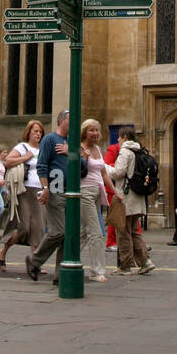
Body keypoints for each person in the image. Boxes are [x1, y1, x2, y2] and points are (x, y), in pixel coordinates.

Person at [25, 109, 75, 284]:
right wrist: (45, 188)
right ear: (61, 121)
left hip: (72, 192)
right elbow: (42, 165)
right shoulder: (49, 140)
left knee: (67, 235)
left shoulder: (72, 142)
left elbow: (83, 165)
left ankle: (61, 274)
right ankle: (34, 260)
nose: (74, 123)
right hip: (55, 189)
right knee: (59, 231)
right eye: (71, 120)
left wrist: (71, 151)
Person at [0, 120, 45, 273]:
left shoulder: (43, 149)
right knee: (24, 228)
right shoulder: (22, 147)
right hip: (24, 191)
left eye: (40, 132)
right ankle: (3, 251)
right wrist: (26, 157)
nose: (38, 134)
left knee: (39, 228)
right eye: (35, 131)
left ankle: (35, 262)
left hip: (40, 190)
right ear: (28, 132)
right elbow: (8, 161)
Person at [107, 125, 155, 275]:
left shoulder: (125, 152)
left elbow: (118, 173)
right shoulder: (139, 150)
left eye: (120, 138)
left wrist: (105, 167)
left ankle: (125, 266)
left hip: (126, 197)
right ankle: (145, 262)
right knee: (134, 231)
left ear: (124, 137)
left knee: (123, 232)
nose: (119, 140)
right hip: (138, 197)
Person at [79, 119, 109, 281]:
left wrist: (116, 192)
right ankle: (97, 271)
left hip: (98, 191)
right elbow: (77, 168)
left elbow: (103, 173)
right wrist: (83, 155)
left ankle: (67, 258)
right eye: (91, 130)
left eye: (97, 130)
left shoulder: (97, 148)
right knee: (96, 232)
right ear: (84, 132)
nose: (95, 133)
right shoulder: (79, 148)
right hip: (85, 192)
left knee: (84, 231)